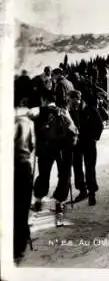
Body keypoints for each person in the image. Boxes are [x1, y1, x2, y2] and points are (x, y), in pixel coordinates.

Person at [31, 97, 79, 215]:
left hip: (46, 148)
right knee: (64, 174)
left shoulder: (40, 112)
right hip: (63, 148)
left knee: (43, 174)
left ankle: (38, 200)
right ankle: (59, 202)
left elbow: (34, 132)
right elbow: (74, 129)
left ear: (44, 100)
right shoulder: (63, 111)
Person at [68, 90, 104, 205]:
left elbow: (100, 125)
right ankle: (82, 190)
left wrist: (94, 137)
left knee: (90, 168)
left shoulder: (90, 109)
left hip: (89, 143)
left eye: (71, 99)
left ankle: (92, 193)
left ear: (77, 99)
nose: (69, 101)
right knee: (77, 168)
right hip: (76, 144)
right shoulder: (70, 111)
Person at [13, 87, 36, 265]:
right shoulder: (27, 122)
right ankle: (19, 247)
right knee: (21, 207)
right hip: (23, 166)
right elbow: (32, 144)